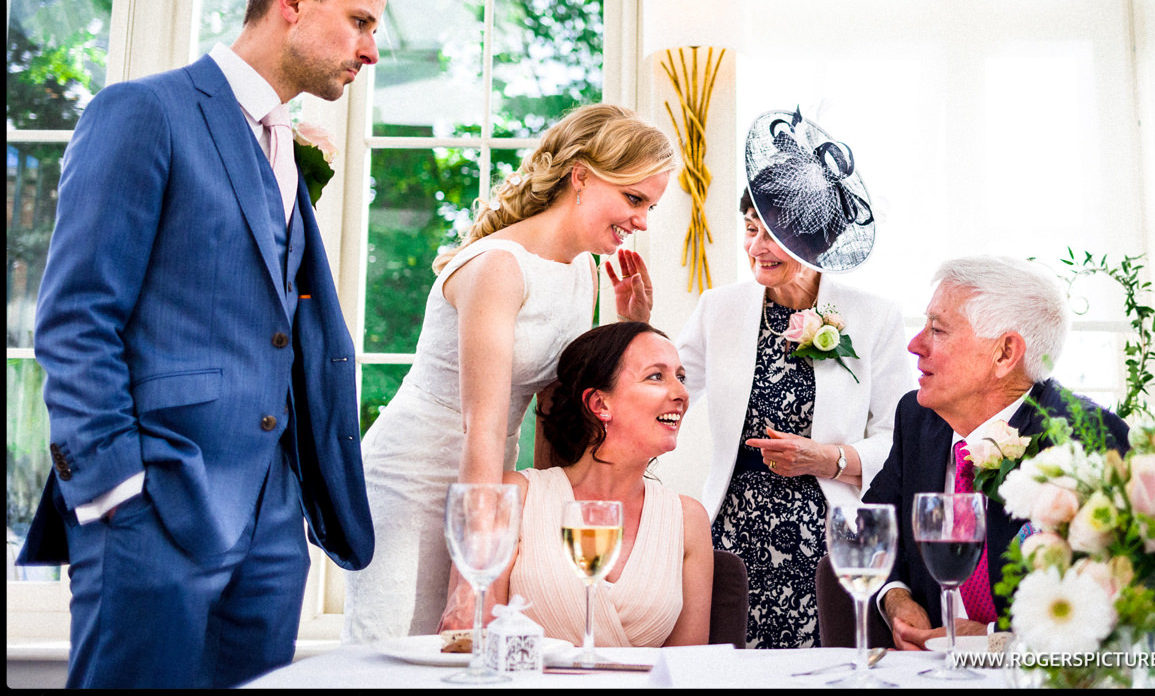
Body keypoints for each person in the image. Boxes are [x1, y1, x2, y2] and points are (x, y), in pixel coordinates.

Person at [15, 0, 398, 688]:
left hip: (271, 524)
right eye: (359, 22)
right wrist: (116, 489)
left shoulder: (286, 145)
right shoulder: (143, 112)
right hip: (153, 505)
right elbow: (76, 315)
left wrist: (286, 501)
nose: (370, 51)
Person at [342, 104, 680, 642]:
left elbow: (554, 409)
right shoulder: (498, 265)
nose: (641, 220)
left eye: (650, 206)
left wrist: (545, 519)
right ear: (582, 176)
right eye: (633, 198)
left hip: (489, 479)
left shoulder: (583, 273)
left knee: (472, 653)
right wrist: (467, 581)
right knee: (401, 650)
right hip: (415, 478)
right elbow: (482, 425)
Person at [676, 108, 913, 649]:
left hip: (829, 543)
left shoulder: (873, 315)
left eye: (775, 236)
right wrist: (633, 328)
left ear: (817, 243)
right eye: (751, 229)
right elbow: (666, 389)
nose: (757, 248)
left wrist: (829, 458)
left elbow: (899, 439)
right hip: (730, 536)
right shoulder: (720, 308)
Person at [862, 255, 1132, 650]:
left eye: (937, 329)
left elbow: (1110, 598)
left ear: (1005, 353)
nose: (915, 344)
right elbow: (871, 526)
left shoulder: (1090, 442)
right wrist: (896, 598)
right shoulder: (918, 418)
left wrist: (995, 639)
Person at [486, 321, 713, 646]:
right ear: (599, 404)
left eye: (681, 377)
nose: (681, 393)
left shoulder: (688, 519)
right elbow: (474, 642)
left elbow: (688, 669)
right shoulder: (516, 497)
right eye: (656, 376)